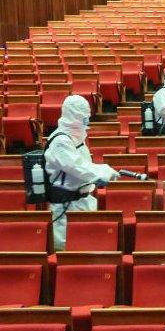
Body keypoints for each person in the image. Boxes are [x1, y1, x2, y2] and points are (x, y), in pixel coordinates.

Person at [44, 95, 120, 251]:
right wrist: (103, 171)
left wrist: (100, 173)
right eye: (83, 117)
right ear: (74, 116)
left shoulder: (76, 137)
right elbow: (77, 167)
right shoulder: (60, 141)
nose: (87, 120)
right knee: (68, 250)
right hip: (65, 208)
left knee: (89, 247)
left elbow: (85, 166)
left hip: (83, 202)